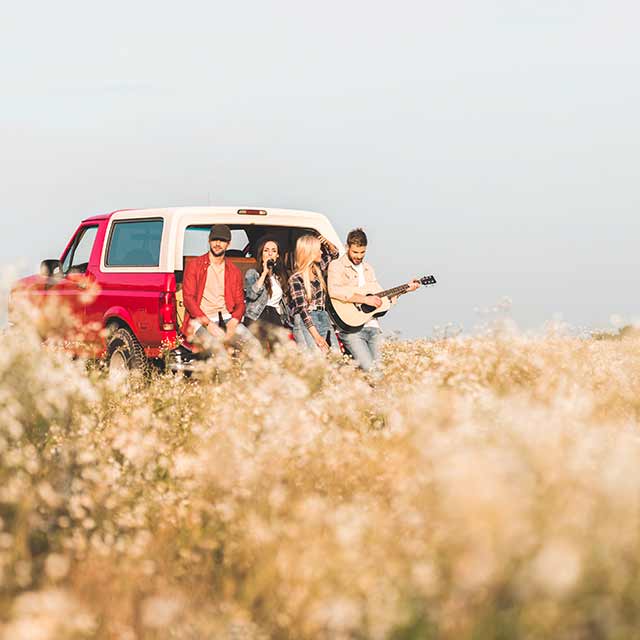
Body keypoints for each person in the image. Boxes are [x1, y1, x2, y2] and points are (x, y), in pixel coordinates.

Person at [327, 227, 419, 372]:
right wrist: (364, 299)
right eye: (355, 252)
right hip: (352, 330)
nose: (358, 256)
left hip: (373, 327)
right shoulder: (337, 266)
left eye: (362, 252)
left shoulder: (369, 269)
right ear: (347, 247)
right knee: (373, 373)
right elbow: (334, 291)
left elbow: (380, 297)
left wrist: (404, 290)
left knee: (380, 373)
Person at [181, 224, 251, 351]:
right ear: (209, 240)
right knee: (217, 352)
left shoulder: (233, 271)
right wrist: (208, 324)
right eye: (215, 239)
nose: (218, 243)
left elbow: (240, 303)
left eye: (222, 240)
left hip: (227, 317)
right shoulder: (194, 266)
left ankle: (242, 371)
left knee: (254, 346)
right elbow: (188, 299)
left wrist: (234, 320)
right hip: (201, 320)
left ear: (228, 244)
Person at [288, 234, 340, 353]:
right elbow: (303, 311)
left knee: (335, 356)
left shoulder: (318, 271)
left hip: (323, 316)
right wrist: (317, 337)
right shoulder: (296, 279)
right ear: (310, 253)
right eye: (318, 250)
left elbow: (335, 254)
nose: (322, 252)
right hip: (306, 321)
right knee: (315, 359)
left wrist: (328, 243)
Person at [243, 236, 290, 344]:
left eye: (273, 251)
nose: (270, 254)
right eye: (266, 250)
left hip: (275, 316)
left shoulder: (279, 277)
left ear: (277, 256)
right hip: (258, 315)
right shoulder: (253, 273)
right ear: (261, 254)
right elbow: (252, 295)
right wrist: (264, 273)